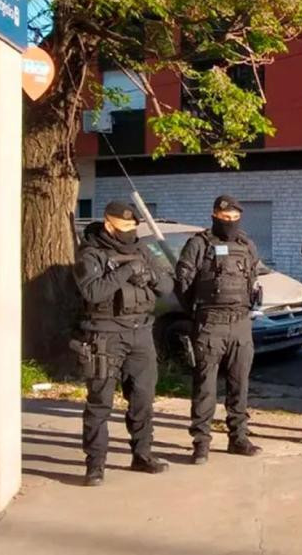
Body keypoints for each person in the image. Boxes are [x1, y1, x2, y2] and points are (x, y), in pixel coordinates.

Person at [73, 201, 174, 486]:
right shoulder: (91, 253)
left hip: (140, 332)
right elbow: (93, 292)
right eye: (124, 227)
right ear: (109, 225)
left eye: (133, 227)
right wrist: (126, 272)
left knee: (143, 399)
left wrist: (149, 274)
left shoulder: (142, 249)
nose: (130, 232)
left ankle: (142, 455)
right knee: (100, 402)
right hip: (104, 334)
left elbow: (166, 286)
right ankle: (95, 466)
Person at [175, 195, 263, 464]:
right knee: (205, 386)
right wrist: (199, 312)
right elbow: (183, 283)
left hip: (240, 324)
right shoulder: (198, 244)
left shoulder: (246, 244)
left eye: (235, 219)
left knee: (240, 385)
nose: (230, 223)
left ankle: (238, 438)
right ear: (214, 216)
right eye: (225, 219)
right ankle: (201, 443)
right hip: (210, 323)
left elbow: (252, 278)